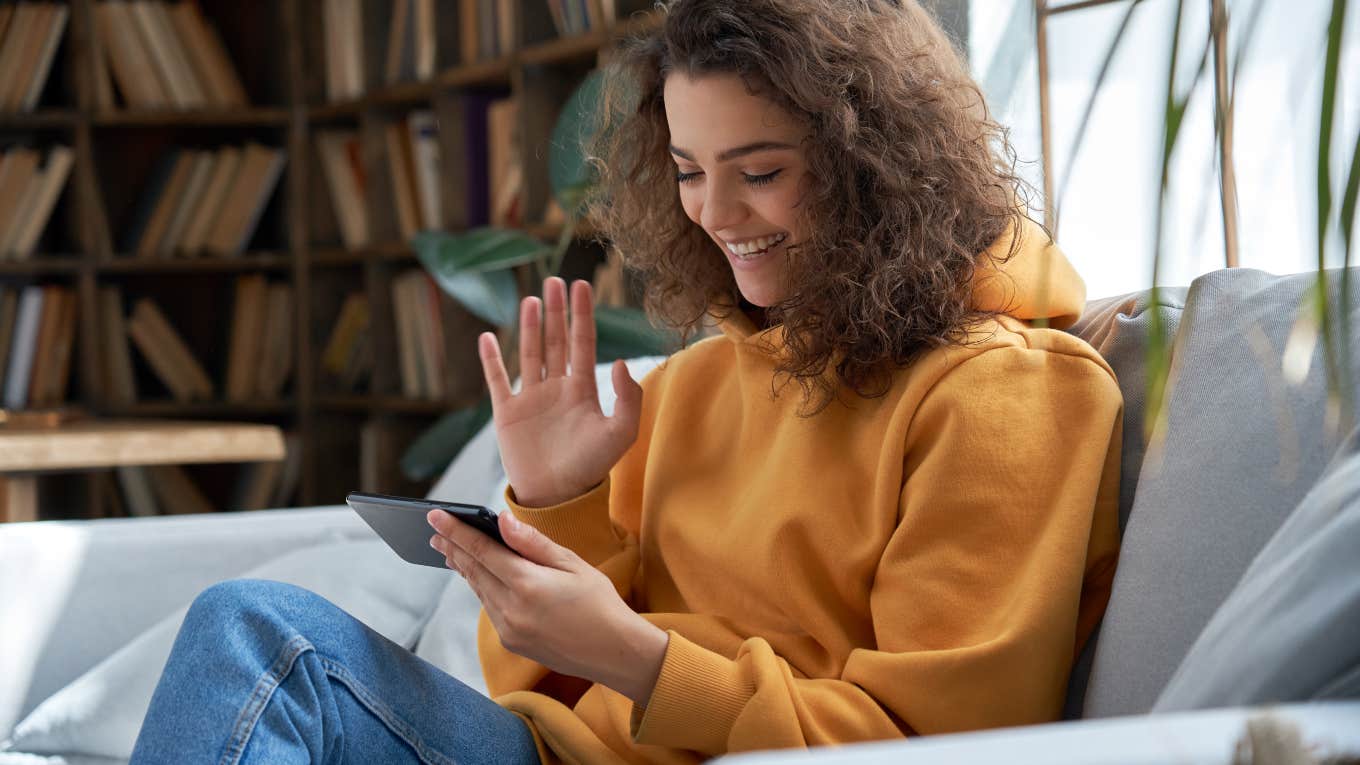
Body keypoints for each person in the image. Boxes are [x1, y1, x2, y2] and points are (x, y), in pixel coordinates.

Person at [129, 0, 1122, 763]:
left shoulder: (1008, 397)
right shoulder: (697, 383)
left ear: (880, 164)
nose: (717, 212)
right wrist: (564, 503)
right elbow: (548, 688)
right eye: (688, 169)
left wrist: (638, 660)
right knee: (253, 627)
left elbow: (937, 744)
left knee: (264, 642)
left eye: (762, 169)